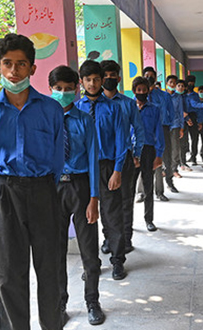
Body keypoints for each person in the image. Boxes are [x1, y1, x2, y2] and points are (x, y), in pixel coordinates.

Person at [0, 33, 72, 330]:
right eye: (7, 63)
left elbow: (57, 155)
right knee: (8, 276)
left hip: (45, 191)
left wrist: (45, 186)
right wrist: (5, 189)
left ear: (33, 67)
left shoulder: (49, 109)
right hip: (6, 194)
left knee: (51, 272)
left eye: (21, 64)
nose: (14, 70)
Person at [48, 65, 105, 327]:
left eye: (68, 89)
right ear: (51, 90)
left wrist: (94, 199)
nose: (63, 93)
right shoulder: (45, 120)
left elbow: (93, 160)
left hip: (81, 187)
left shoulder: (85, 120)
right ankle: (60, 303)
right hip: (53, 188)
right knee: (56, 250)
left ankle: (92, 301)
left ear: (76, 89)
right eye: (58, 89)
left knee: (89, 251)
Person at [75, 59, 129, 280]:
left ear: (103, 80)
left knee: (112, 215)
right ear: (81, 82)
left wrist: (117, 170)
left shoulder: (114, 107)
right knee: (85, 218)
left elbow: (122, 140)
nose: (93, 83)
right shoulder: (76, 108)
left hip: (107, 167)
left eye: (96, 79)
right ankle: (91, 264)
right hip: (83, 170)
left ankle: (117, 260)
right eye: (88, 80)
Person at [99, 60, 145, 253]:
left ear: (118, 78)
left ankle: (126, 239)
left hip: (124, 158)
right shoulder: (93, 105)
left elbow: (139, 129)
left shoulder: (127, 103)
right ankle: (108, 238)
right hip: (101, 161)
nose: (109, 79)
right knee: (105, 202)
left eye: (113, 75)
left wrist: (137, 153)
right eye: (106, 75)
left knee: (126, 200)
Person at [132, 76, 165, 233]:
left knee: (148, 185)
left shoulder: (154, 109)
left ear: (148, 91)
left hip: (148, 150)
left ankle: (149, 219)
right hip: (131, 151)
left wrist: (159, 155)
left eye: (144, 90)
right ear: (134, 91)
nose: (141, 92)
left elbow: (159, 132)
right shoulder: (128, 107)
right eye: (138, 90)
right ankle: (128, 222)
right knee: (129, 189)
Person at [143, 66, 175, 198]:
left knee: (162, 158)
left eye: (151, 76)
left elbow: (172, 114)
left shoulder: (164, 96)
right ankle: (142, 192)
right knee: (143, 160)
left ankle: (161, 189)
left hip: (162, 129)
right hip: (145, 131)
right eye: (146, 76)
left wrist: (167, 126)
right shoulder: (140, 94)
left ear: (155, 78)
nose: (149, 78)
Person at [165, 75, 185, 179]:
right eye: (170, 82)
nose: (172, 85)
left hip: (175, 125)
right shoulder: (163, 96)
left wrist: (182, 128)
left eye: (174, 83)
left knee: (175, 149)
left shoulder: (178, 97)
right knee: (165, 148)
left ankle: (174, 169)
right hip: (164, 125)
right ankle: (165, 169)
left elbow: (181, 112)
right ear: (166, 83)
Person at [184, 75, 202, 165]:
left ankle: (193, 156)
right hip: (183, 116)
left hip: (193, 116)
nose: (191, 85)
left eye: (193, 83)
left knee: (194, 137)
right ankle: (182, 158)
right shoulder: (182, 94)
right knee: (183, 138)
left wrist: (200, 121)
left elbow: (198, 108)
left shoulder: (195, 95)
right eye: (189, 83)